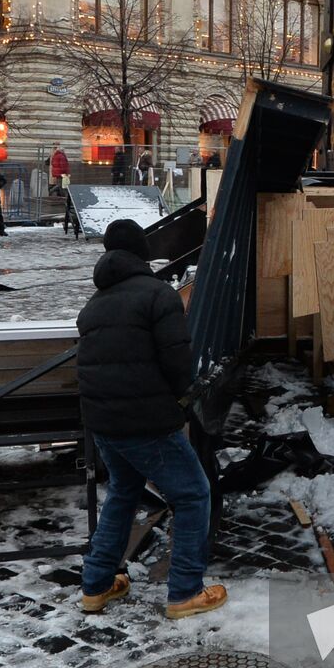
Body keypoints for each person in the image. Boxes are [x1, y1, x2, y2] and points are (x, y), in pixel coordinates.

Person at [76, 219, 224, 619]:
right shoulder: (158, 295)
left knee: (123, 494)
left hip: (104, 423)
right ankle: (185, 592)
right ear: (143, 253)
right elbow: (177, 359)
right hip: (145, 422)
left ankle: (97, 585)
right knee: (193, 495)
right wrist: (185, 397)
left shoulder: (95, 303)